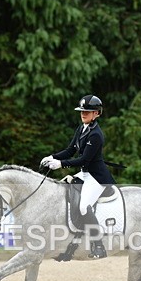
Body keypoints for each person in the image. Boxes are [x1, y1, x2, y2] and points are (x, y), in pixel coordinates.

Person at [41, 94, 115, 258]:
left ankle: (99, 245)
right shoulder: (81, 129)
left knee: (83, 207)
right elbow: (70, 151)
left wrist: (61, 164)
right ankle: (71, 240)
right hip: (84, 174)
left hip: (96, 177)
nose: (83, 114)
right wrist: (53, 157)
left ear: (97, 113)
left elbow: (83, 159)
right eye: (82, 111)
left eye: (87, 111)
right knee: (63, 192)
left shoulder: (96, 134)